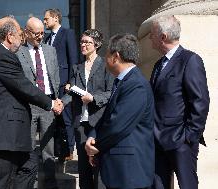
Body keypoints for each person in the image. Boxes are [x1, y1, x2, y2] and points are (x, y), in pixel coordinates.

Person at [0, 16, 63, 189]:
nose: (22, 38)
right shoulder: (2, 56)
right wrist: (51, 103)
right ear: (10, 36)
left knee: (29, 165)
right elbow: (23, 85)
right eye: (20, 34)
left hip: (7, 133)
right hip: (4, 133)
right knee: (0, 181)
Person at [85, 34, 155, 189]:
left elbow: (118, 124)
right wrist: (92, 136)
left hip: (130, 172)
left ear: (116, 56)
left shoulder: (136, 84)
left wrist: (97, 145)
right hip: (120, 170)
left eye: (107, 54)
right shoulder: (123, 82)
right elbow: (107, 117)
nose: (105, 58)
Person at [149, 15, 210, 189]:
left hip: (181, 142)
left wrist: (190, 136)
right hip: (157, 141)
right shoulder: (158, 64)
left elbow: (200, 101)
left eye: (152, 34)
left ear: (163, 37)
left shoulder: (190, 60)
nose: (149, 37)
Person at [61, 29, 113, 189]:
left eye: (87, 42)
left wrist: (94, 98)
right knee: (83, 169)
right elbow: (72, 94)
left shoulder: (106, 65)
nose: (83, 45)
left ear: (96, 45)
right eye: (82, 42)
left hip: (98, 122)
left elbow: (111, 92)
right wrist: (61, 102)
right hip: (81, 124)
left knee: (98, 167)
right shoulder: (77, 67)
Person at [16, 17, 60, 189]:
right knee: (28, 147)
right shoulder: (18, 52)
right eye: (36, 33)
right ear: (26, 32)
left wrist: (56, 99)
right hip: (29, 105)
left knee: (48, 149)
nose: (40, 36)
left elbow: (55, 77)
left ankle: (50, 184)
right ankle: (30, 183)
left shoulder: (51, 51)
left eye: (43, 33)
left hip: (48, 104)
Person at [44, 8, 78, 160]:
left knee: (66, 117)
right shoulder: (46, 38)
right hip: (50, 84)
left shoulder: (67, 33)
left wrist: (71, 81)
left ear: (56, 18)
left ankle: (70, 150)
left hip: (64, 83)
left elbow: (73, 59)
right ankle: (59, 150)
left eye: (46, 19)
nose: (45, 21)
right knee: (55, 118)